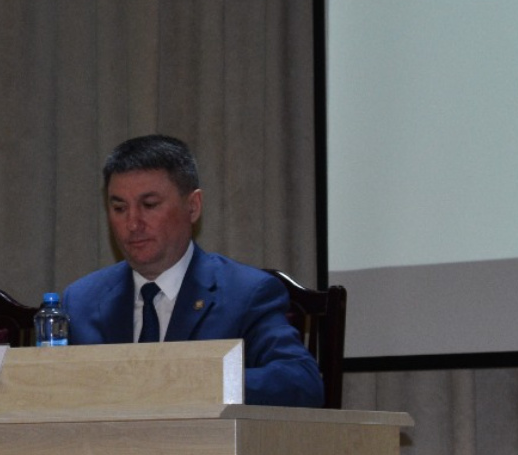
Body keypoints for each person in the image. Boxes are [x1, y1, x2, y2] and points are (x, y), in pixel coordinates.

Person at [60, 134, 324, 407]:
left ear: (193, 207)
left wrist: (191, 383)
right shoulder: (80, 301)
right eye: (119, 208)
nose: (133, 224)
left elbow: (301, 383)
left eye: (149, 205)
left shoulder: (246, 293)